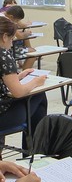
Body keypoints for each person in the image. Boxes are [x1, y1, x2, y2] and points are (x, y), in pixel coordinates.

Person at [0, 16, 48, 160]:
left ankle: (32, 151)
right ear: (4, 37)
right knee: (39, 97)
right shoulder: (3, 55)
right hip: (2, 115)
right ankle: (33, 153)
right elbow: (18, 92)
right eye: (11, 38)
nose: (12, 42)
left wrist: (18, 77)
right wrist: (36, 82)